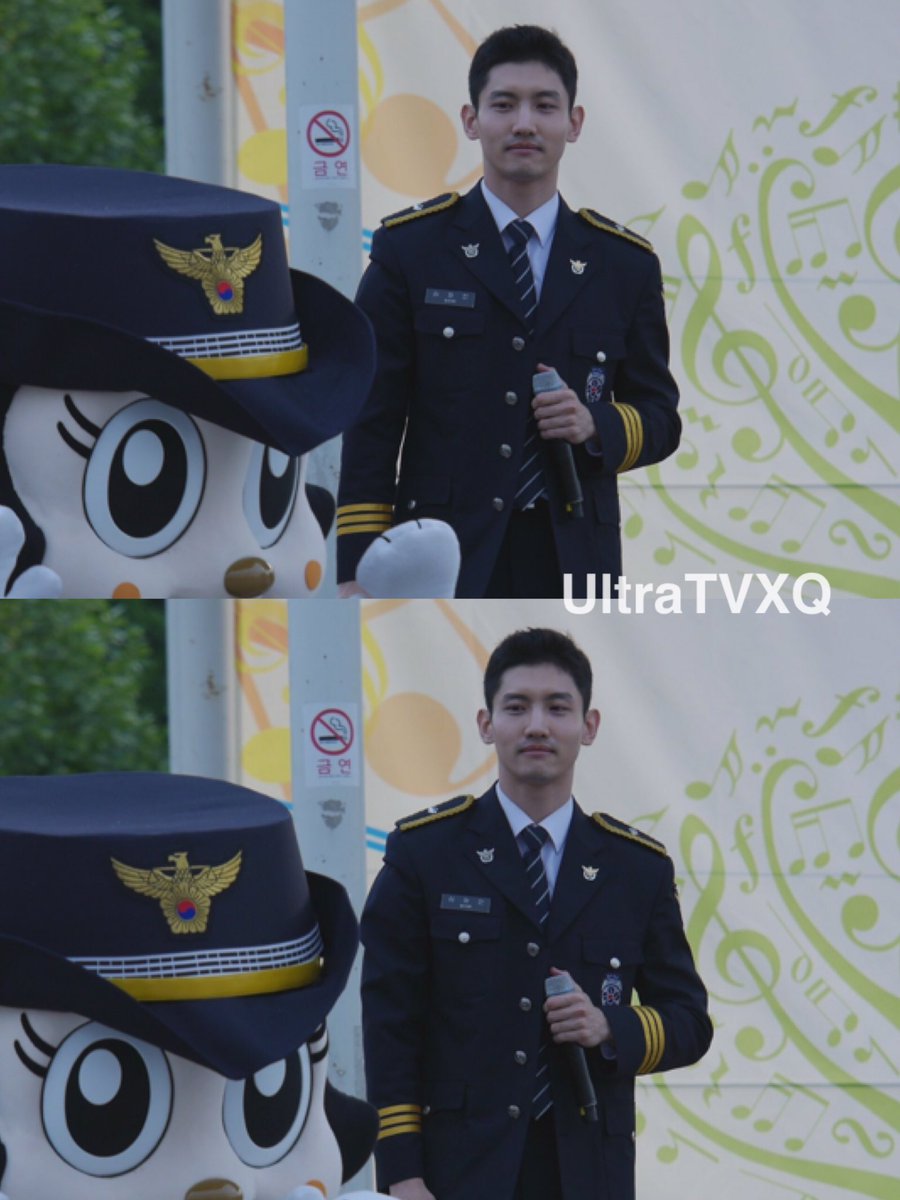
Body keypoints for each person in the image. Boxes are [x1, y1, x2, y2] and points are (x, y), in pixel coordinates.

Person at [360, 628, 712, 1200]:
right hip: (458, 1173)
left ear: (589, 726)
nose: (537, 726)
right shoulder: (425, 854)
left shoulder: (635, 869)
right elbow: (389, 1026)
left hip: (589, 1173)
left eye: (558, 708)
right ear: (486, 724)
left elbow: (690, 1021)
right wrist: (402, 1174)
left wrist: (610, 1026)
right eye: (517, 707)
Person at [337, 25, 680, 599]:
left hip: (575, 553)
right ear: (471, 120)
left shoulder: (624, 264)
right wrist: (358, 567)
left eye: (545, 106)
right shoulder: (411, 250)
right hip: (444, 551)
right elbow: (371, 421)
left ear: (574, 123)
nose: (524, 123)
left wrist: (596, 423)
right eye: (504, 104)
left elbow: (661, 418)